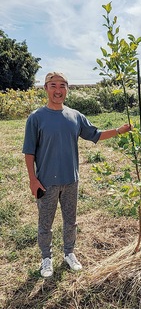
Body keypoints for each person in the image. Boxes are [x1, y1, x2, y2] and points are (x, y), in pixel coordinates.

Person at [22, 72, 132, 278]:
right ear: (45, 88)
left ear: (67, 89)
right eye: (53, 85)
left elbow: (96, 135)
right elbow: (29, 151)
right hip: (46, 182)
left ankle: (69, 253)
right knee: (45, 223)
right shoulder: (36, 118)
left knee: (70, 221)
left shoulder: (75, 116)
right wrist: (32, 179)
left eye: (62, 85)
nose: (58, 90)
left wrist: (119, 130)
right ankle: (46, 258)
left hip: (71, 180)